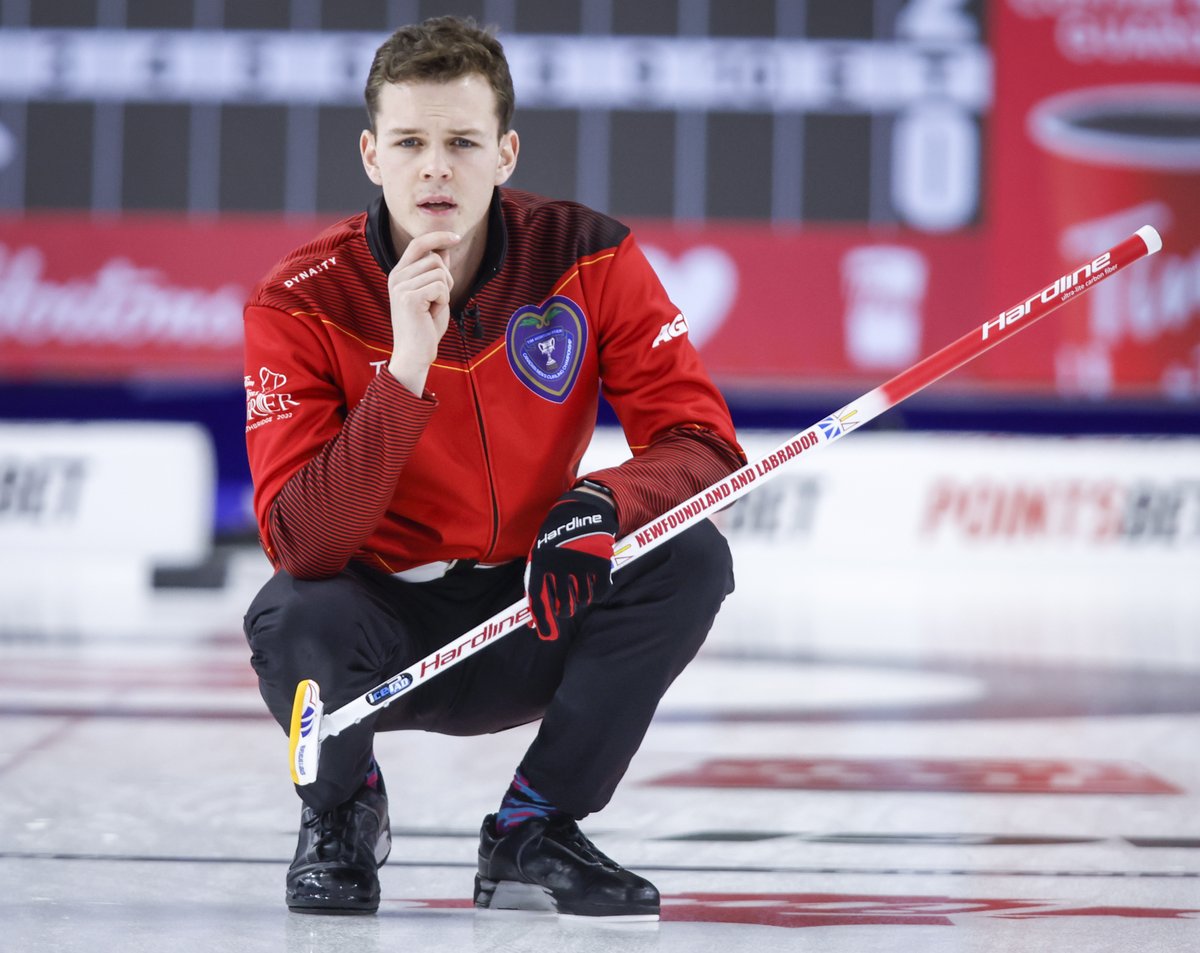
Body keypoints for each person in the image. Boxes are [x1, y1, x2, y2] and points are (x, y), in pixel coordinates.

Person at [242, 15, 743, 919]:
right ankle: (342, 812)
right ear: (371, 155)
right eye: (412, 142)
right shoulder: (297, 300)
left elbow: (703, 440)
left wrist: (600, 503)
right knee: (291, 614)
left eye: (463, 141)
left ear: (506, 152)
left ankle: (534, 828)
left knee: (691, 556)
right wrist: (405, 369)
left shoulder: (589, 255)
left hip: (533, 603)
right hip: (378, 626)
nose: (437, 166)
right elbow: (302, 540)